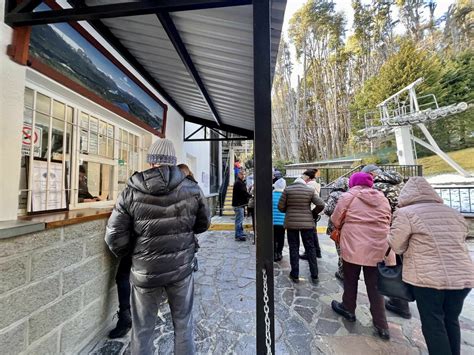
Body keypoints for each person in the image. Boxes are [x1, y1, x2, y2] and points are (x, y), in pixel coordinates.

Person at [105, 138, 210, 355]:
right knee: (183, 325)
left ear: (151, 161)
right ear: (172, 161)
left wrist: (134, 254)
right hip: (181, 269)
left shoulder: (131, 191)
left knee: (143, 330)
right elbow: (203, 224)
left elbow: (114, 236)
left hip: (145, 272)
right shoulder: (191, 188)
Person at [388, 177, 474, 355]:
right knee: (451, 320)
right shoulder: (453, 212)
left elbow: (397, 246)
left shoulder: (406, 213)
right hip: (462, 275)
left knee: (433, 323)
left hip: (427, 278)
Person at [330, 172, 393, 340]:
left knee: (350, 279)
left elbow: (336, 219)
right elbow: (389, 218)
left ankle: (348, 308)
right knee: (375, 285)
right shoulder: (382, 197)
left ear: (353, 182)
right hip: (379, 244)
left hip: (354, 243)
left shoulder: (348, 196)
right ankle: (381, 324)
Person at [362, 164, 411, 319]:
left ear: (371, 174)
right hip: (406, 229)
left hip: (386, 232)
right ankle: (402, 300)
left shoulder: (377, 188)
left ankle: (398, 301)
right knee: (400, 266)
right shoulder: (401, 185)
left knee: (389, 267)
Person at [278, 175, 325, 283]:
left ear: (294, 182)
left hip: (291, 224)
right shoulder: (310, 190)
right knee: (310, 248)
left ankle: (294, 274)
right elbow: (321, 204)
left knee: (293, 247)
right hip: (307, 224)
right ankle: (314, 275)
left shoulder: (287, 190)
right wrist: (313, 213)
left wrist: (289, 211)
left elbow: (280, 207)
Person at [323, 177, 349, 281]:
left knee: (340, 248)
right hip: (348, 225)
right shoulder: (350, 194)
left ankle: (342, 271)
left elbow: (328, 210)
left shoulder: (334, 195)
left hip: (336, 225)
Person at [300, 169, 322, 260]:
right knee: (313, 233)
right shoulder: (315, 185)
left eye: (304, 175)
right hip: (313, 212)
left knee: (308, 235)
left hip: (308, 211)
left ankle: (308, 253)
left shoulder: (308, 186)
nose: (302, 177)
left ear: (308, 177)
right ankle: (317, 252)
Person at [232, 169, 251, 241]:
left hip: (240, 204)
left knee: (240, 220)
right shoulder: (239, 183)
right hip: (239, 205)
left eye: (244, 174)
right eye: (242, 174)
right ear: (239, 175)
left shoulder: (240, 182)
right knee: (239, 221)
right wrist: (251, 196)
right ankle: (238, 235)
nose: (243, 176)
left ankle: (240, 232)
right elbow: (244, 192)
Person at [272, 177, 286, 261]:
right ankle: (279, 253)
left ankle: (273, 253)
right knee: (281, 238)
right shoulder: (285, 196)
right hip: (282, 222)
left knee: (273, 238)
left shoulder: (271, 195)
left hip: (273, 222)